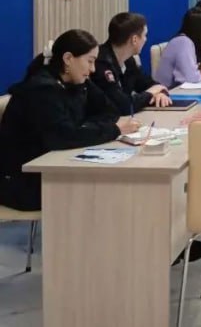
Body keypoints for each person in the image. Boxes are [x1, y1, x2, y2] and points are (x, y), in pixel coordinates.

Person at [0, 30, 139, 211]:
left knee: (106, 188)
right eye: (89, 61)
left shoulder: (79, 81)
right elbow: (62, 136)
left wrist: (86, 128)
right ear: (68, 59)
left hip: (54, 168)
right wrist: (113, 130)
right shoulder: (41, 89)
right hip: (24, 181)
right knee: (101, 192)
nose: (93, 69)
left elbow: (110, 110)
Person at [92, 12, 171, 115]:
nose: (145, 39)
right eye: (145, 35)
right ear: (134, 40)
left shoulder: (128, 60)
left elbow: (148, 84)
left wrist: (160, 93)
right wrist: (151, 93)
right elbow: (123, 106)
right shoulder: (100, 63)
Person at [154, 8, 201, 89]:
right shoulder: (183, 42)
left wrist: (199, 72)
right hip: (167, 92)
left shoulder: (189, 41)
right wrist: (199, 74)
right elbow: (189, 78)